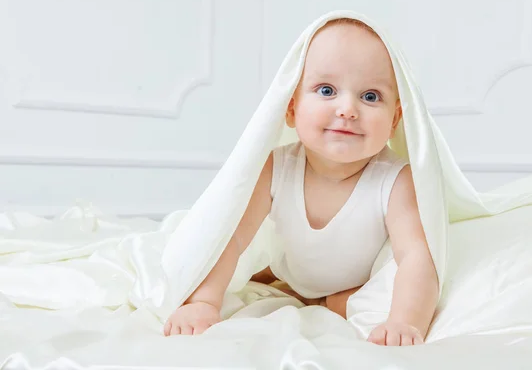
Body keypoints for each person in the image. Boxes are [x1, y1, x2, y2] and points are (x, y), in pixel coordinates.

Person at [163, 18, 439, 346]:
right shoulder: (277, 167)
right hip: (292, 273)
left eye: (370, 96)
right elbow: (234, 237)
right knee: (223, 257)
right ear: (291, 108)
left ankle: (333, 301)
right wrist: (204, 303)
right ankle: (292, 288)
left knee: (407, 284)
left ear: (394, 120)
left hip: (361, 284)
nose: (348, 109)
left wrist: (405, 322)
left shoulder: (395, 180)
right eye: (327, 90)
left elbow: (415, 255)